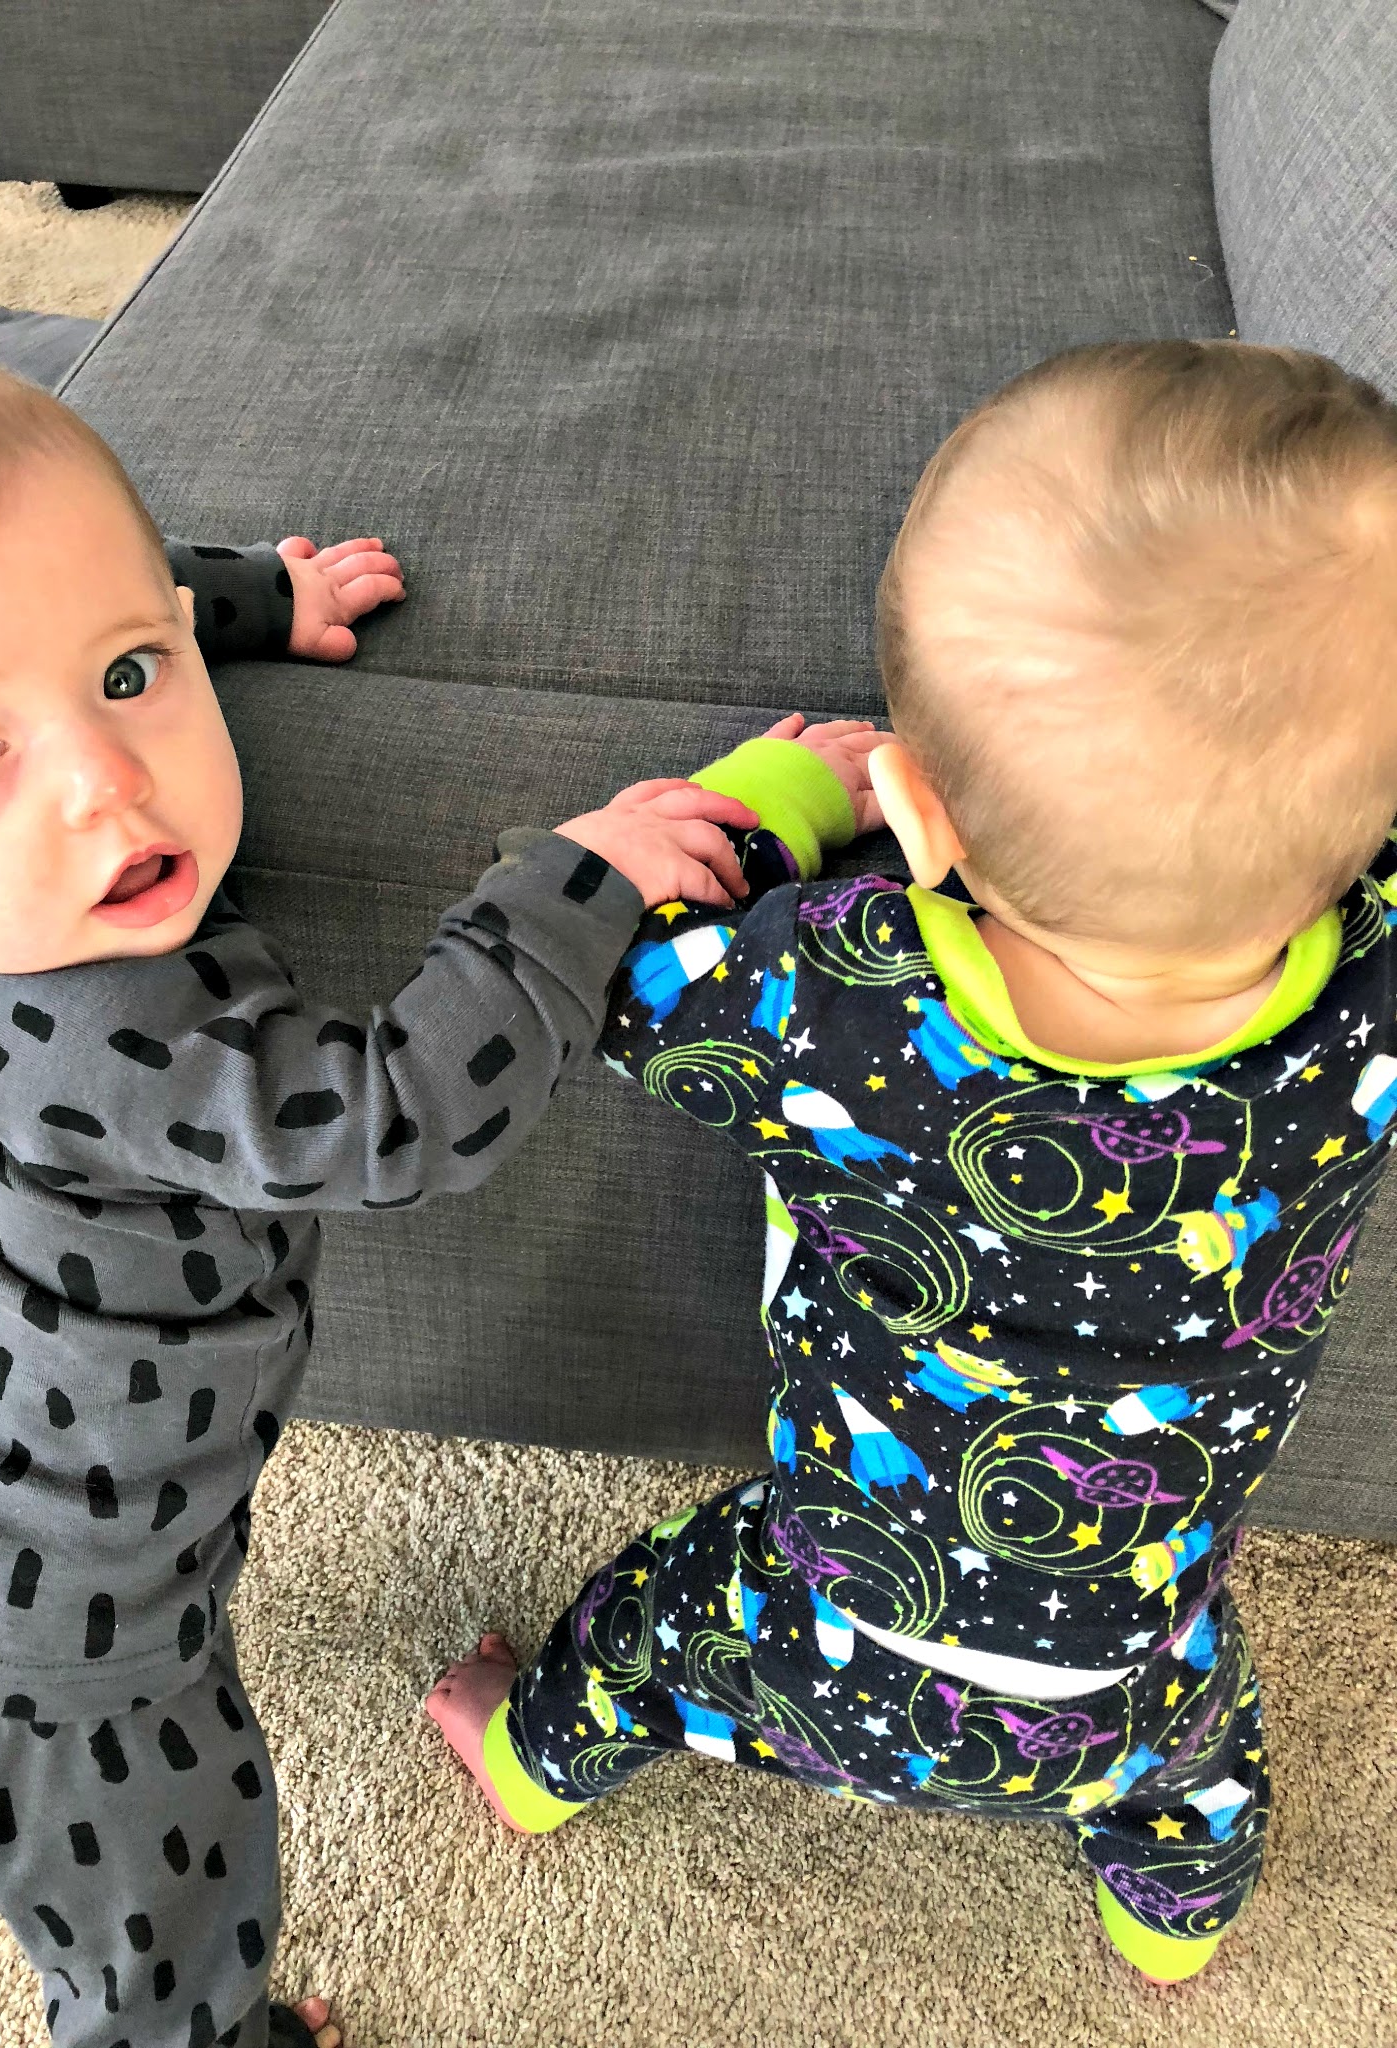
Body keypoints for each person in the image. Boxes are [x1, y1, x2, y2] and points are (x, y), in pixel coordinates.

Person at [427, 338, 1397, 1987]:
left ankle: (525, 1757)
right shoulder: (1368, 1012)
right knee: (1201, 1777)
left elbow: (620, 970)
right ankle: (1172, 1924)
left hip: (820, 1620)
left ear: (920, 821)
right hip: (1130, 1674)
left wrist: (776, 794)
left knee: (648, 1624)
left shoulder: (839, 993)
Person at [0, 351, 768, 2048]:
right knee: (172, 1922)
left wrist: (238, 596)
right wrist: (575, 884)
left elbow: (41, 583)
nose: (101, 784)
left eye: (130, 673)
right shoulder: (119, 1037)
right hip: (78, 1651)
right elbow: (399, 1114)